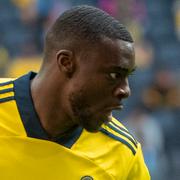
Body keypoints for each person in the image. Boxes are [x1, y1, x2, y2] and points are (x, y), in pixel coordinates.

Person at [0, 5, 150, 180]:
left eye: (127, 77)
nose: (126, 91)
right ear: (66, 63)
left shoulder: (123, 154)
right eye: (114, 75)